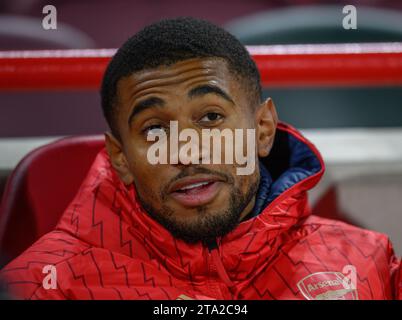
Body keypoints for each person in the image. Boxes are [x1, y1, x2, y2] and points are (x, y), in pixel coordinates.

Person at [1, 17, 400, 300]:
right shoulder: (42, 286)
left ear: (263, 130)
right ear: (120, 157)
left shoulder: (367, 263)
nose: (186, 151)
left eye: (210, 117)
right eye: (155, 129)